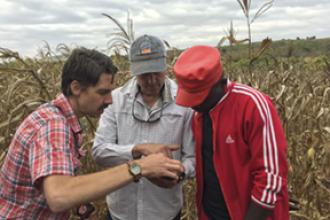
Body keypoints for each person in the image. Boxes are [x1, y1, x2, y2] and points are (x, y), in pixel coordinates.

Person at [0, 48, 184, 219]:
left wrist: (78, 197)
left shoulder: (58, 117)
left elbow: (53, 187)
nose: (110, 100)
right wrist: (140, 167)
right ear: (76, 88)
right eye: (103, 92)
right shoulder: (52, 126)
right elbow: (58, 196)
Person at [173, 45, 289, 220]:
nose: (193, 105)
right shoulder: (200, 113)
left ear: (220, 83)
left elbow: (270, 179)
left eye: (199, 97)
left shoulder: (252, 105)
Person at [92, 34, 195, 220]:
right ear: (133, 70)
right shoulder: (115, 100)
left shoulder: (184, 102)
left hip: (164, 212)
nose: (152, 80)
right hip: (120, 212)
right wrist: (137, 150)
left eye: (157, 72)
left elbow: (193, 157)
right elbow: (99, 151)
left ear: (166, 66)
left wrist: (178, 172)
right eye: (145, 74)